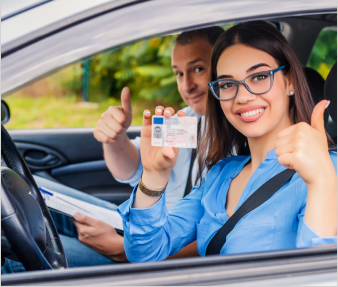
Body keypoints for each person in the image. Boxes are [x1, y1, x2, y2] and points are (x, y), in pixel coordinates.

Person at [1, 26, 224, 273]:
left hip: (160, 257)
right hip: (146, 227)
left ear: (223, 65)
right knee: (33, 191)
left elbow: (213, 239)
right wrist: (115, 139)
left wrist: (122, 249)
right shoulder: (187, 120)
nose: (187, 85)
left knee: (13, 256)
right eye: (179, 74)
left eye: (198, 69)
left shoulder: (240, 145)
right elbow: (130, 169)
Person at [118, 21, 337, 262]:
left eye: (260, 76)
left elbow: (317, 275)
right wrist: (153, 177)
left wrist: (323, 181)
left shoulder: (328, 168)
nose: (242, 96)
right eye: (227, 84)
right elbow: (145, 253)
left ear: (290, 81)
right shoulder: (220, 175)